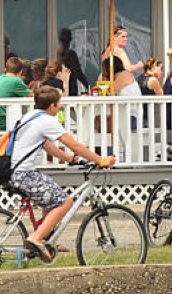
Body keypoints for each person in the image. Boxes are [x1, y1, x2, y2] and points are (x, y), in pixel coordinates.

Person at [8, 84, 116, 262]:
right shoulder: (47, 121)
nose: (59, 108)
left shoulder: (30, 116)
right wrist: (100, 160)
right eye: (59, 105)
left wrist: (68, 158)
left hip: (15, 172)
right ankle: (36, 238)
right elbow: (75, 145)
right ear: (52, 106)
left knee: (52, 199)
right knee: (65, 202)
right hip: (25, 174)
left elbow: (45, 144)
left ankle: (44, 240)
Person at [0, 53, 33, 127]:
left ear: (6, 69)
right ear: (21, 71)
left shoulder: (1, 77)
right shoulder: (16, 81)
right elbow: (33, 96)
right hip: (4, 121)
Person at [56, 27, 89, 97]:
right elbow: (78, 73)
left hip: (59, 85)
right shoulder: (71, 54)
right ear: (70, 39)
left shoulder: (58, 52)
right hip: (71, 86)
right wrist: (89, 87)